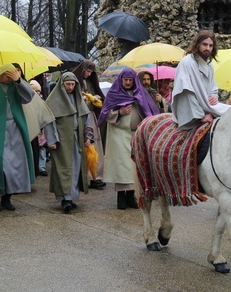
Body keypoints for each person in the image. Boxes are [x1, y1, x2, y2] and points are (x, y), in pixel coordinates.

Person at [98, 68, 159, 209]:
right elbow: (105, 113)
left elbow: (148, 110)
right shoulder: (114, 94)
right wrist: (120, 111)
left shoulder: (140, 93)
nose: (127, 82)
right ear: (121, 80)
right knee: (121, 166)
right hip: (119, 135)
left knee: (134, 166)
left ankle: (131, 196)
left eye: (130, 80)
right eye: (125, 80)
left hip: (135, 135)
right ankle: (121, 197)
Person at [0, 63, 36, 211]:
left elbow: (29, 97)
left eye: (12, 74)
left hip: (15, 129)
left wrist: (19, 81)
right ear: (1, 73)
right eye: (8, 74)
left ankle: (7, 197)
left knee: (14, 165)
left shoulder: (15, 86)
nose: (10, 77)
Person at [44, 72, 93, 213]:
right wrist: (52, 140)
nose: (70, 87)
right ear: (62, 85)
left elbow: (85, 118)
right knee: (64, 168)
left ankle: (71, 197)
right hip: (61, 140)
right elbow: (49, 122)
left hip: (77, 139)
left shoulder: (78, 99)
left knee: (76, 168)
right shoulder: (53, 101)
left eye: (72, 84)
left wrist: (88, 136)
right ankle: (65, 198)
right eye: (67, 84)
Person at [171, 30, 229, 130]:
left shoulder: (209, 66)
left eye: (210, 46)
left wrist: (213, 96)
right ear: (197, 44)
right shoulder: (187, 63)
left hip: (207, 106)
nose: (208, 48)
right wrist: (201, 116)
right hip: (192, 111)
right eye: (205, 44)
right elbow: (186, 92)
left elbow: (213, 87)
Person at [72, 60, 106, 189]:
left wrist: (95, 98)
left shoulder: (91, 82)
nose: (88, 74)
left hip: (91, 116)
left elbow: (99, 97)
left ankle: (96, 176)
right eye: (87, 71)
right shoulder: (74, 82)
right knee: (83, 146)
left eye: (91, 72)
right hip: (80, 117)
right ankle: (83, 177)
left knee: (94, 146)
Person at [29, 80, 48, 177]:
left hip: (40, 130)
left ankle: (41, 167)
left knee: (41, 149)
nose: (37, 93)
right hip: (32, 130)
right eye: (34, 91)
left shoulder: (42, 101)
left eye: (38, 91)